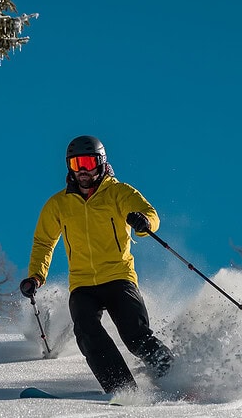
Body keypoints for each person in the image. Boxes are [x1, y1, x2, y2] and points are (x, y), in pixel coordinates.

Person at [19, 135, 174, 394]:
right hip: (83, 284)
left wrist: (144, 222)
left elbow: (150, 214)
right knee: (87, 332)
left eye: (88, 162)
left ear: (101, 163)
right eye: (76, 163)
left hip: (118, 277)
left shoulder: (119, 192)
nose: (82, 170)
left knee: (135, 336)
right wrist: (36, 276)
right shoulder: (58, 204)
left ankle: (173, 374)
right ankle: (122, 390)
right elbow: (44, 242)